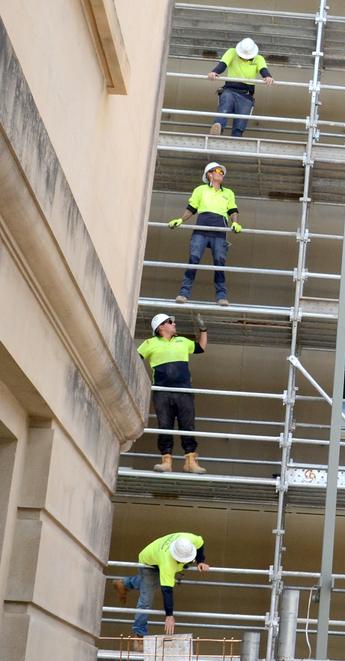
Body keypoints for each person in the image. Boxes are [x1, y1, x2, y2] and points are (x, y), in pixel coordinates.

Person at [138, 312, 208, 473]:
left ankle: (191, 462)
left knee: (187, 425)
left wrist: (203, 329)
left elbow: (201, 348)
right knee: (164, 426)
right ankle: (166, 462)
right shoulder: (149, 343)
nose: (174, 324)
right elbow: (134, 359)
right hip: (162, 392)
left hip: (184, 391)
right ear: (161, 327)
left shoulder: (182, 341)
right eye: (170, 322)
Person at [168, 161, 241, 306]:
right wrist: (180, 220)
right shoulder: (200, 190)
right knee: (194, 258)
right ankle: (183, 293)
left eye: (222, 172)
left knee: (219, 262)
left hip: (219, 231)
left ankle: (221, 296)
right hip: (201, 229)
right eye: (218, 171)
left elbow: (232, 210)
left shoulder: (228, 193)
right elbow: (192, 208)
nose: (221, 174)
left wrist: (235, 222)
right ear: (209, 174)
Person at [113, 532, 210, 638]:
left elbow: (200, 544)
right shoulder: (167, 564)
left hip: (158, 552)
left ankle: (124, 583)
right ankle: (139, 633)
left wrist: (200, 561)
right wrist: (169, 615)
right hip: (148, 563)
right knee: (146, 600)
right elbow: (167, 590)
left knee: (149, 584)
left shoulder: (190, 539)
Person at [207, 37, 273, 137]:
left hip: (246, 94)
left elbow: (263, 70)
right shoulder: (231, 52)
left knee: (240, 126)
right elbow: (223, 64)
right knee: (224, 110)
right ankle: (217, 129)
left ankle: (236, 140)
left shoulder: (259, 58)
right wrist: (214, 72)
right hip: (230, 90)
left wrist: (268, 77)